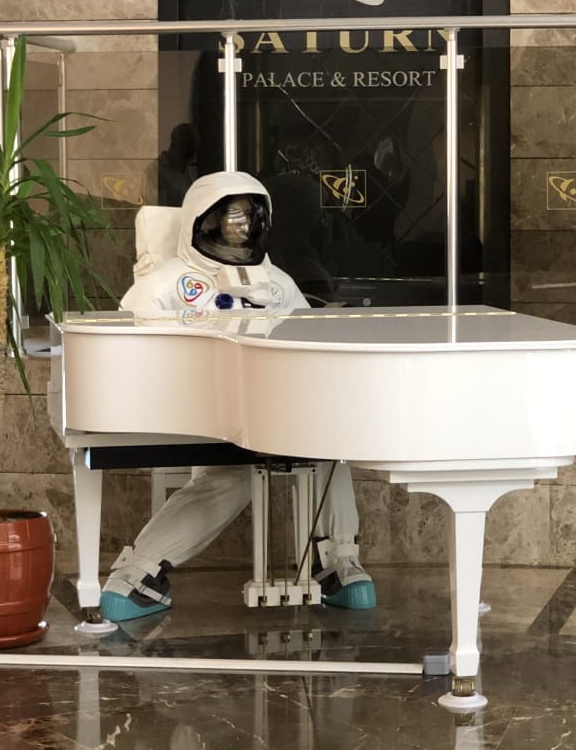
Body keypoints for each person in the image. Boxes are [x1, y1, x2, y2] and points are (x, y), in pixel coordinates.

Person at [99, 170, 376, 623]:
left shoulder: (277, 283)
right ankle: (137, 573)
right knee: (233, 475)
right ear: (201, 220)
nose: (240, 227)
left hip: (276, 410)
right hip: (199, 411)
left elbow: (309, 342)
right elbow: (129, 343)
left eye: (249, 217)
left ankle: (339, 563)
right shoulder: (167, 282)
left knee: (329, 450)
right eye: (230, 217)